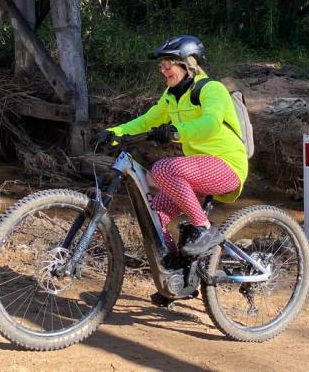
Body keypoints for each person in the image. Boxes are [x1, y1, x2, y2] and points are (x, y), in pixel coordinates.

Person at [100, 35, 248, 258]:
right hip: (196, 174)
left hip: (227, 166)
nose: (163, 69)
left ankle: (204, 230)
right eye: (162, 65)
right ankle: (173, 274)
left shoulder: (211, 89)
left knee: (163, 169)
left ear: (188, 64)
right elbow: (146, 120)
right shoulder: (171, 96)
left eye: (168, 63)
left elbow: (210, 124)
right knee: (154, 219)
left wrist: (175, 132)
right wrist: (113, 133)